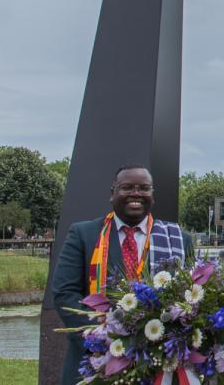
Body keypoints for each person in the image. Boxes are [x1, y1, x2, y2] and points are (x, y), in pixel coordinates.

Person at [50, 165, 191, 385]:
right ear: (112, 192)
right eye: (127, 187)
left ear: (152, 195)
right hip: (95, 359)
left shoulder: (178, 239)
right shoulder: (83, 234)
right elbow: (64, 293)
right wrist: (105, 335)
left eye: (144, 188)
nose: (136, 193)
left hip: (158, 363)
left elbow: (191, 298)